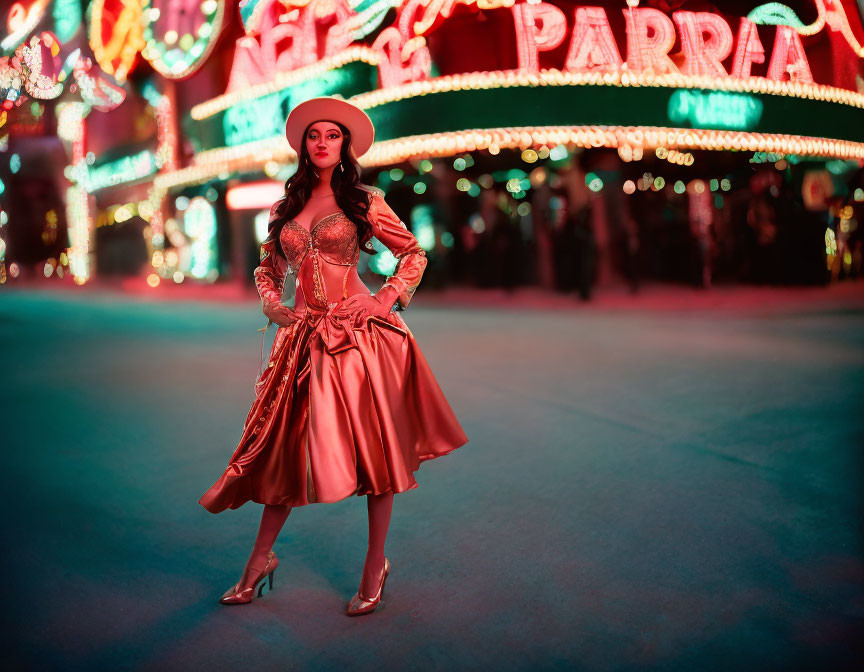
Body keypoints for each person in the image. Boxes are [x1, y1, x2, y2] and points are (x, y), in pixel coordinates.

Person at [199, 96, 469, 616]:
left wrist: (385, 297)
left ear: (345, 145)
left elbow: (413, 253)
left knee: (377, 453)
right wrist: (272, 305)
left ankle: (375, 565)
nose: (322, 143)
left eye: (333, 135)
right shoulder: (286, 207)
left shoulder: (363, 199)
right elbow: (268, 270)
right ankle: (259, 562)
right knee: (285, 449)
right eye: (314, 135)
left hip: (362, 336)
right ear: (304, 145)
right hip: (303, 341)